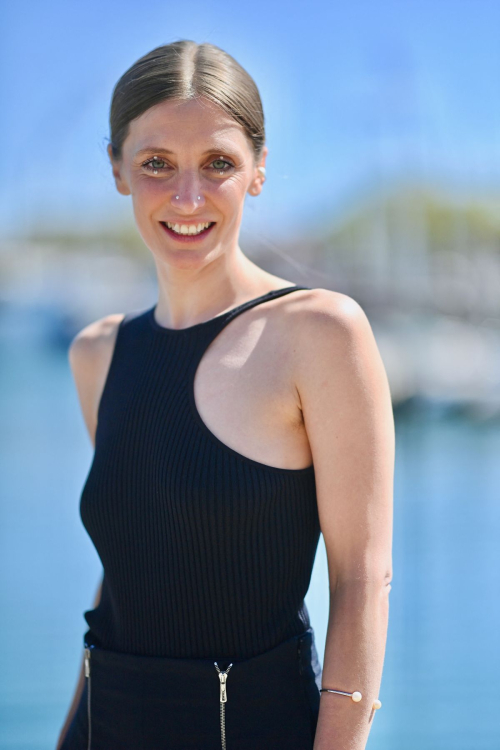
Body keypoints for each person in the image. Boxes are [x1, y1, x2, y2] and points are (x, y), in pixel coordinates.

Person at [56, 39, 394, 750]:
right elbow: (126, 574)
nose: (187, 197)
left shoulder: (319, 333)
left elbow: (361, 577)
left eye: (218, 164)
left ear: (259, 170)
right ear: (117, 168)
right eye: (156, 164)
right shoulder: (96, 353)